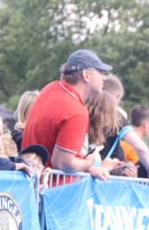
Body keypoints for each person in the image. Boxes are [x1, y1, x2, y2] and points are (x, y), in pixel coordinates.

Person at [22, 49, 113, 179]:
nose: (104, 77)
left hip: (34, 185)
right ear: (86, 75)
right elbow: (62, 163)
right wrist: (88, 163)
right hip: (55, 192)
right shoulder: (76, 111)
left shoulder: (50, 88)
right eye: (100, 72)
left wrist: (90, 169)